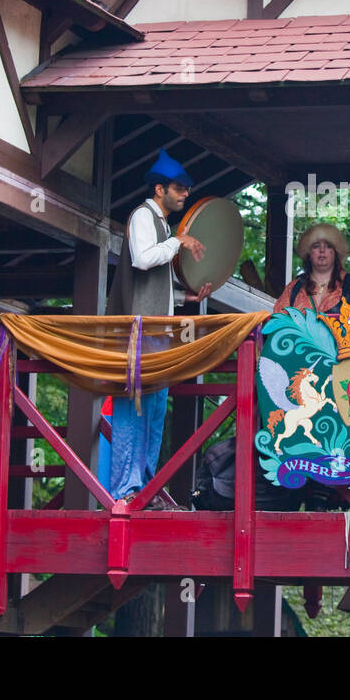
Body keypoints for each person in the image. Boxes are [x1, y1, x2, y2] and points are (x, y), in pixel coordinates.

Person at [109, 147, 212, 507]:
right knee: (133, 411)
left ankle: (145, 491)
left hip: (156, 333)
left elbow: (157, 288)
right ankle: (125, 491)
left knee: (153, 414)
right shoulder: (142, 216)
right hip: (138, 334)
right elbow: (141, 260)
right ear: (159, 190)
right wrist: (176, 242)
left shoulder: (163, 225)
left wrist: (189, 300)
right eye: (179, 188)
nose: (185, 195)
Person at [272, 223, 350, 315]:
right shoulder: (294, 288)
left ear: (336, 252)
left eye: (328, 246)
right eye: (316, 246)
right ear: (308, 252)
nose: (322, 250)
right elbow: (278, 324)